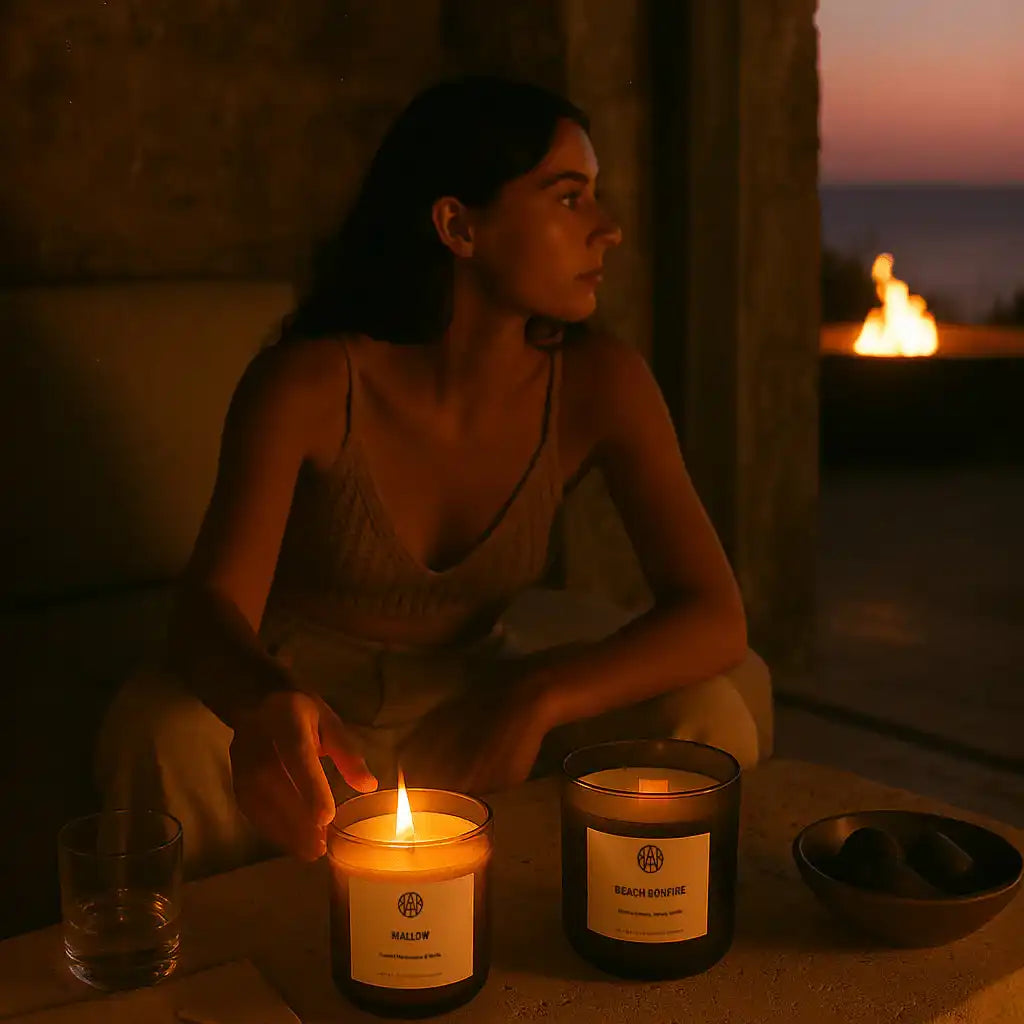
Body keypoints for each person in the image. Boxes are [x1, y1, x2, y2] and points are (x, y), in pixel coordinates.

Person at [96, 75, 762, 879]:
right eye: (569, 198)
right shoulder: (310, 385)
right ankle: (201, 983)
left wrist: (535, 695)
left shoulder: (600, 383)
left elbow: (715, 615)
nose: (610, 230)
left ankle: (643, 950)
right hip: (316, 715)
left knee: (709, 707)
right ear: (458, 225)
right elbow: (207, 611)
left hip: (479, 693)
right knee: (160, 730)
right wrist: (264, 704)